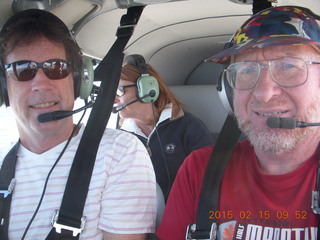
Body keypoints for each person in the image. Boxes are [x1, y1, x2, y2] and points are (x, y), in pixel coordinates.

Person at [157, 5, 320, 239]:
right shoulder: (199, 169)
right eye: (245, 70)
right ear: (228, 92)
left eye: (288, 66)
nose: (264, 93)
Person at [0, 9, 157, 240]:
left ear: (77, 81)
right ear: (4, 87)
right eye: (23, 70)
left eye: (56, 68)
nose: (41, 84)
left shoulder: (120, 153)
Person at [114, 55, 214, 200]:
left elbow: (210, 181)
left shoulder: (188, 127)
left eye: (119, 90)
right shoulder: (120, 139)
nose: (113, 99)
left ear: (147, 89)